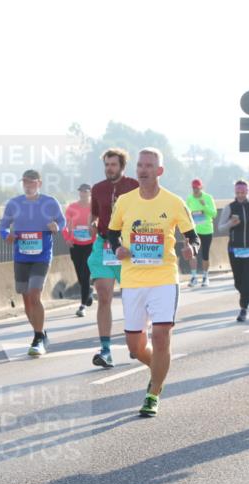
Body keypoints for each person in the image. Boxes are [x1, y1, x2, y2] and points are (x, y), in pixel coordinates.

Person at [106, 148, 198, 417]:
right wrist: (117, 249)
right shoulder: (124, 201)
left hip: (164, 278)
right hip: (133, 279)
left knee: (160, 336)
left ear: (160, 171)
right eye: (140, 165)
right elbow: (112, 235)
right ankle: (158, 367)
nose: (143, 170)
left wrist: (191, 248)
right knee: (135, 348)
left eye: (149, 165)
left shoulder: (173, 202)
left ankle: (153, 392)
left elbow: (193, 236)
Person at [0, 169, 66, 356]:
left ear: (39, 183)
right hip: (21, 256)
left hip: (42, 255)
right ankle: (40, 332)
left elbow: (62, 221)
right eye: (25, 182)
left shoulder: (49, 202)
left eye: (31, 182)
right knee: (26, 299)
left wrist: (57, 227)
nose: (28, 185)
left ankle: (37, 337)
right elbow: (3, 225)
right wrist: (7, 235)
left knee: (34, 293)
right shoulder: (14, 203)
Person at [88, 149, 139, 368]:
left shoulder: (134, 186)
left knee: (132, 298)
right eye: (107, 164)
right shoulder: (98, 189)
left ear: (122, 166)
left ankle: (136, 342)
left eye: (113, 165)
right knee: (104, 294)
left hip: (128, 247)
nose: (110, 168)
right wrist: (92, 226)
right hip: (104, 244)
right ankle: (106, 350)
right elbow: (95, 214)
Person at [218, 179, 249, 322]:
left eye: (243, 192)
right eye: (238, 192)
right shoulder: (230, 208)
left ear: (247, 192)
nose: (240, 195)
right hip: (235, 249)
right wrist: (230, 223)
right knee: (238, 282)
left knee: (246, 280)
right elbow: (220, 228)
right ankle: (244, 295)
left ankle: (243, 308)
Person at [63, 183, 94, 316]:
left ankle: (82, 306)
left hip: (90, 244)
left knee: (85, 274)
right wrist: (67, 238)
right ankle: (88, 293)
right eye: (81, 191)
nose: (83, 194)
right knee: (80, 276)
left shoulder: (94, 207)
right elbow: (65, 225)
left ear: (90, 193)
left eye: (86, 192)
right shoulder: (72, 208)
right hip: (75, 245)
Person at [186, 178, 217, 286]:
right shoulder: (189, 199)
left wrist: (205, 206)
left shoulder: (208, 198)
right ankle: (194, 277)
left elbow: (214, 214)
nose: (195, 190)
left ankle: (205, 277)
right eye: (194, 188)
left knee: (205, 255)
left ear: (201, 188)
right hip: (194, 231)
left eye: (197, 188)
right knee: (192, 254)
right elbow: (186, 213)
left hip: (207, 230)